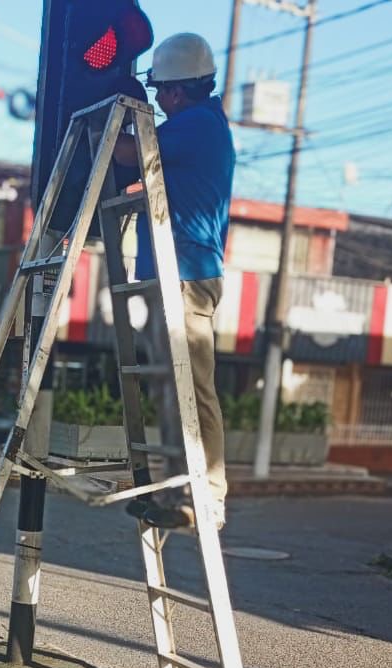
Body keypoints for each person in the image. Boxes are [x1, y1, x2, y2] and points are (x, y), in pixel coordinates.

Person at [113, 32, 234, 532]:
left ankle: (209, 497)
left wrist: (111, 115)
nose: (158, 101)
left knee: (194, 387)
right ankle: (178, 490)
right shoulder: (195, 125)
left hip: (185, 272)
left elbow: (129, 155)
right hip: (171, 270)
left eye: (160, 91)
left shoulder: (198, 125)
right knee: (173, 389)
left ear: (178, 91)